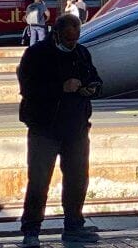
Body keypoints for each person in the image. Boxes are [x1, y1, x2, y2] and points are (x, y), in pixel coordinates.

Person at [16, 14, 102, 247]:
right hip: (44, 128)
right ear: (57, 33)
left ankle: (74, 225)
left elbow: (95, 78)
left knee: (77, 179)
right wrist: (60, 88)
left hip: (76, 128)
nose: (72, 43)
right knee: (39, 180)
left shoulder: (81, 53)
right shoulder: (36, 54)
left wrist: (91, 89)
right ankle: (31, 230)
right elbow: (28, 88)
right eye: (68, 39)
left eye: (75, 39)